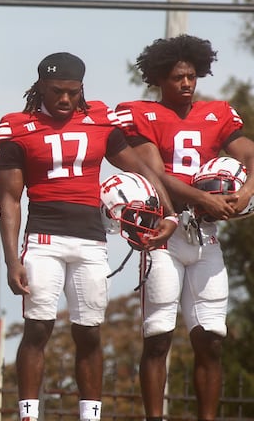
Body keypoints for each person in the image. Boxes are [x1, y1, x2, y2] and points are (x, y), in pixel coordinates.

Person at [0, 52, 176, 421]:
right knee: (38, 329)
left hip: (92, 241)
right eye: (57, 91)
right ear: (41, 86)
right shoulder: (18, 127)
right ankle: (29, 414)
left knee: (89, 333)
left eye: (72, 92)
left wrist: (169, 213)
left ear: (82, 90)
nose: (64, 99)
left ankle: (89, 416)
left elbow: (141, 168)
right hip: (43, 241)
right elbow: (10, 199)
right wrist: (11, 259)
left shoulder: (101, 121)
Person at [115, 35, 254, 421]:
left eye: (192, 76)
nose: (187, 84)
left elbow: (250, 153)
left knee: (211, 339)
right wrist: (201, 197)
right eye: (178, 77)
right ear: (160, 78)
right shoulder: (139, 113)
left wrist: (246, 191)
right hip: (163, 233)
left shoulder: (218, 114)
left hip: (205, 235)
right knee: (158, 337)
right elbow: (153, 172)